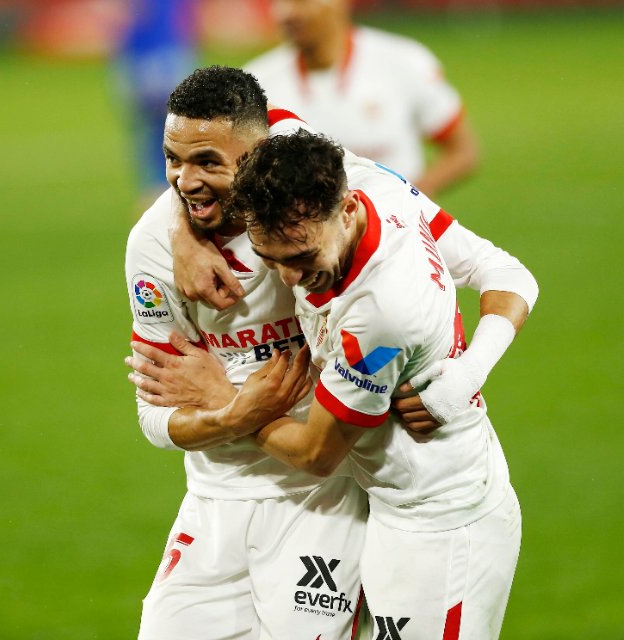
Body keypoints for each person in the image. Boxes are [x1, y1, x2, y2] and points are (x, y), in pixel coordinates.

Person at [125, 66, 536, 639]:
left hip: (423, 508)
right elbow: (154, 408)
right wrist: (180, 231)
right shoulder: (289, 194)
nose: (294, 283)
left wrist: (231, 404)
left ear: (344, 209)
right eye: (275, 263)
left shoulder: (377, 307)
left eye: (302, 260)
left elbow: (318, 451)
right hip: (367, 503)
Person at [244, 0, 478, 199]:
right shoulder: (257, 81)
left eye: (302, 1)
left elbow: (462, 151)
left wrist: (412, 200)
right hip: (306, 243)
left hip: (395, 239)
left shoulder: (404, 62)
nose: (286, 13)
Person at [114, 0, 197, 209]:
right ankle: (163, 185)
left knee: (162, 124)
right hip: (155, 53)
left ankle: (162, 186)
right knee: (160, 125)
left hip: (158, 54)